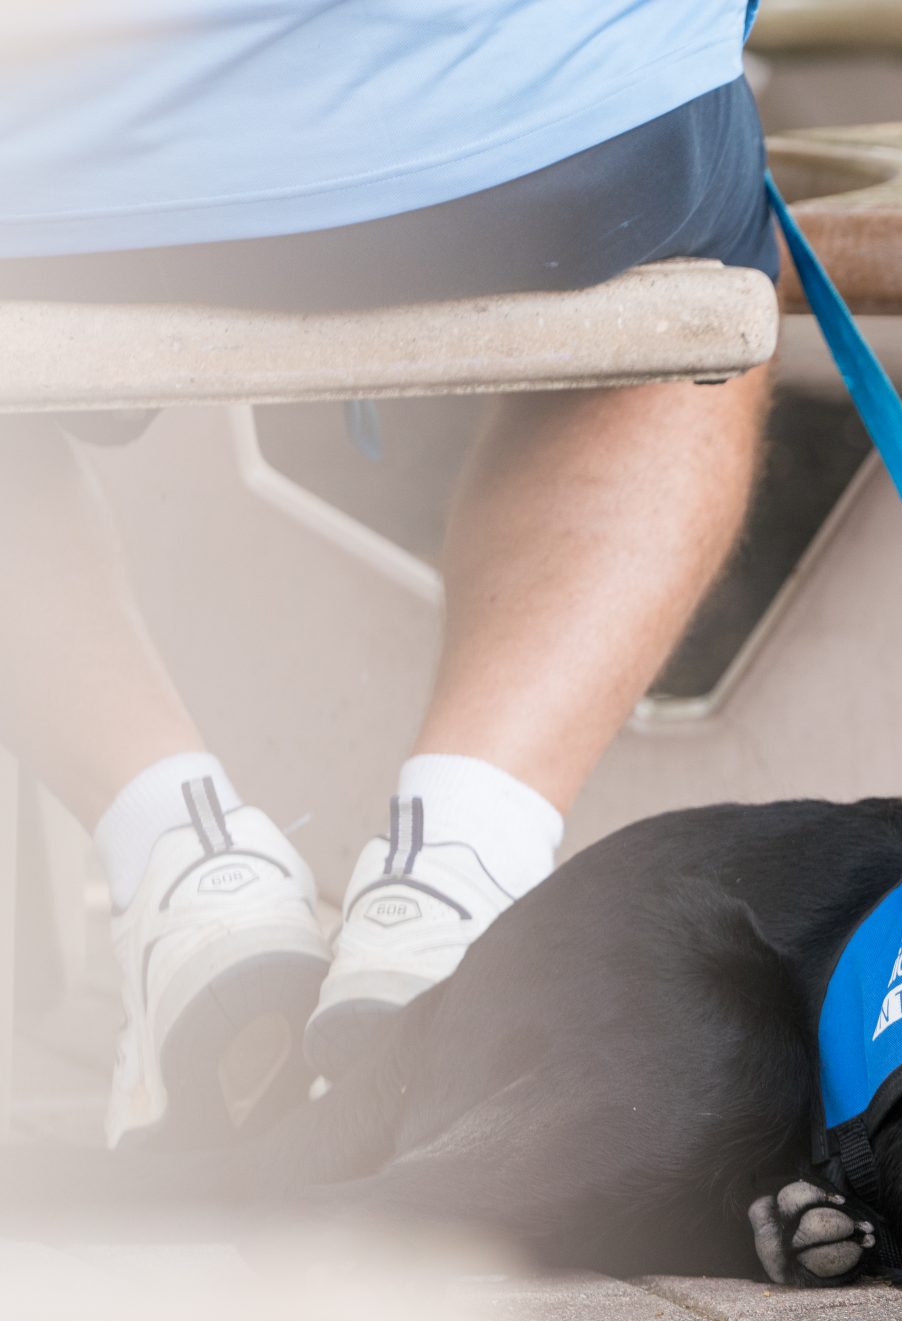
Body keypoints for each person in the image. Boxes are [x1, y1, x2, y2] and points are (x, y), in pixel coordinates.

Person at [0, 1, 777, 1147]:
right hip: (556, 148)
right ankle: (456, 876)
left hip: (72, 172)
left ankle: (182, 863)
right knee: (702, 254)